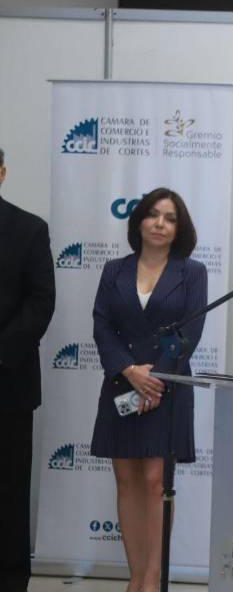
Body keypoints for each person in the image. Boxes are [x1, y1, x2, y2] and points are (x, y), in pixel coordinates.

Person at [90, 188, 207, 592]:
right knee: (126, 480)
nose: (160, 223)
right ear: (138, 221)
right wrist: (128, 370)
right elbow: (102, 326)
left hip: (167, 387)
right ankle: (134, 578)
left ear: (179, 228)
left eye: (170, 217)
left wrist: (154, 378)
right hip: (121, 385)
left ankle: (153, 579)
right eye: (153, 215)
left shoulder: (191, 273)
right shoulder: (113, 271)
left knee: (157, 480)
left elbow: (189, 333)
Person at [0, 147, 56, 592]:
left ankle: (11, 578)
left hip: (8, 381)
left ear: (2, 173)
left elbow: (41, 303)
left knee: (8, 490)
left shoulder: (29, 229)